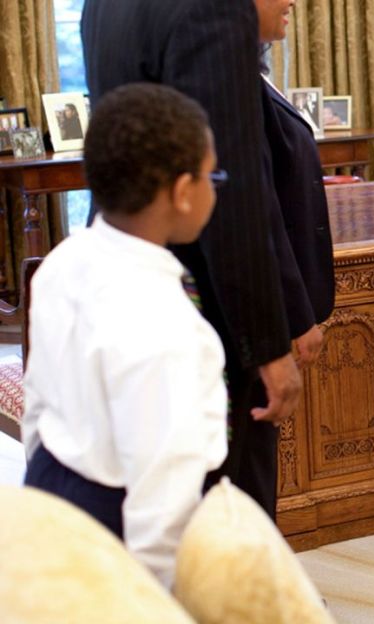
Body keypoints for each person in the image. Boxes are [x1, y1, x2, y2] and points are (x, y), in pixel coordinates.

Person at [82, 0, 304, 514]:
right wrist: (268, 344)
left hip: (123, 268)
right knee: (224, 501)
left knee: (151, 483)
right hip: (204, 298)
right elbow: (231, 185)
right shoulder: (215, 7)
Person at [22, 83, 227, 588]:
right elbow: (163, 497)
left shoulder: (62, 262)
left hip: (51, 484)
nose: (215, 188)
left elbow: (37, 405)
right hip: (120, 520)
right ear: (183, 193)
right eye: (211, 176)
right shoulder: (168, 325)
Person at [249, 0, 335, 516]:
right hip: (267, 312)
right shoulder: (232, 89)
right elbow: (260, 216)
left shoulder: (255, 77)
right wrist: (295, 313)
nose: (292, 4)